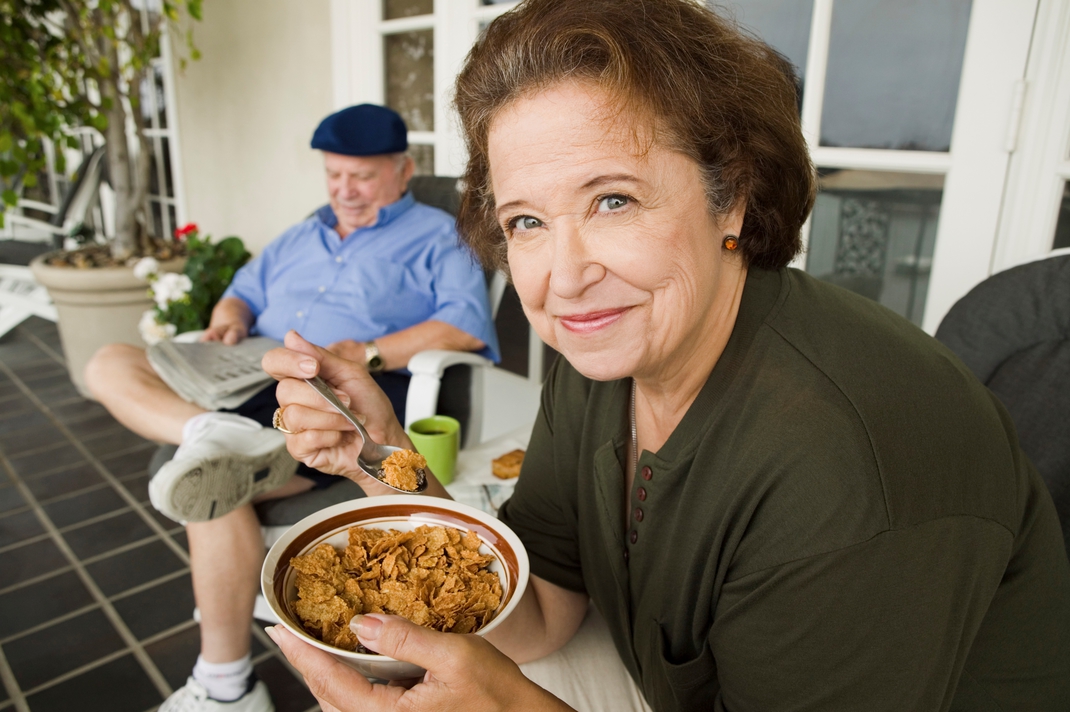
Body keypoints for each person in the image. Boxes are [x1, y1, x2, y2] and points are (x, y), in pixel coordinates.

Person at [261, 1, 1070, 710]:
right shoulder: (603, 364)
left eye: (613, 199)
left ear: (736, 193)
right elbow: (541, 609)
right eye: (527, 222)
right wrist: (380, 454)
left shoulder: (846, 468)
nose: (564, 279)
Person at [84, 103, 499, 712]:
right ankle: (211, 430)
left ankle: (225, 686)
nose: (344, 190)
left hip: (330, 394)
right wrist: (227, 320)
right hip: (245, 377)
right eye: (334, 175)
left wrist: (371, 350)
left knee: (214, 488)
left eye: (360, 176)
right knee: (107, 362)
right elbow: (242, 293)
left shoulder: (436, 234)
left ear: (403, 171)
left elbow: (465, 325)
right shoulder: (303, 232)